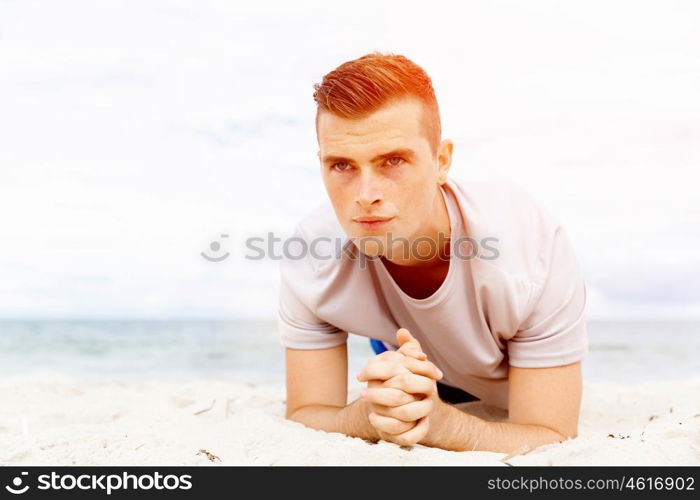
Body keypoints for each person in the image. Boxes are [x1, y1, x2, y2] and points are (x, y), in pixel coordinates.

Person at [277, 52, 588, 453]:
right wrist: (366, 416)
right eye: (341, 166)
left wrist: (442, 425)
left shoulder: (527, 247)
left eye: (392, 160)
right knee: (396, 363)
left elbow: (550, 432)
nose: (365, 196)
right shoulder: (310, 254)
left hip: (493, 357)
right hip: (395, 338)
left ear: (441, 162)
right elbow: (306, 412)